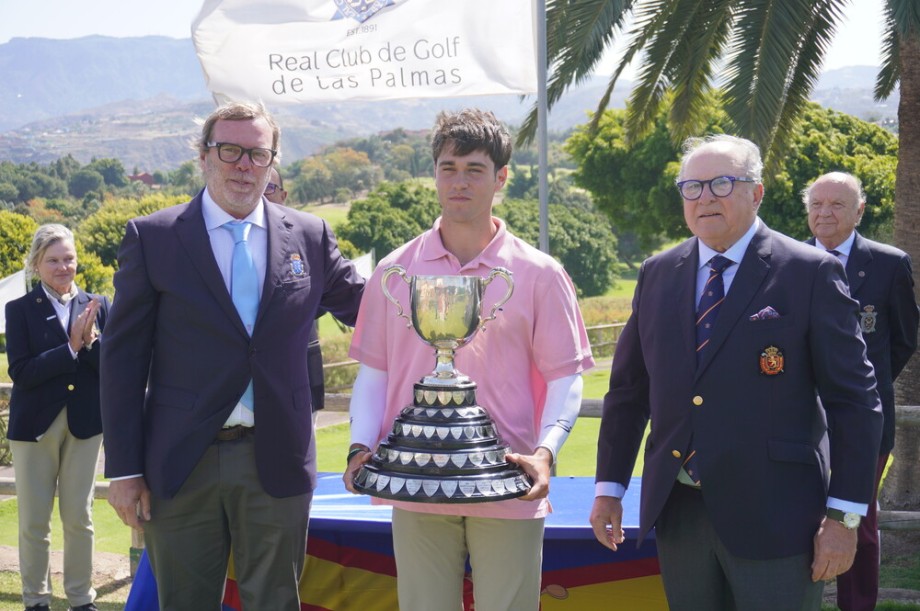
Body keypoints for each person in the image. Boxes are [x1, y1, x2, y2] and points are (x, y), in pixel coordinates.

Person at [589, 134, 884, 610]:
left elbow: (855, 403)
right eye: (691, 187)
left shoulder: (809, 272)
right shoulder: (658, 273)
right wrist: (609, 489)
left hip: (779, 519)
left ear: (756, 192)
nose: (704, 197)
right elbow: (628, 391)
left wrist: (845, 518)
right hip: (680, 514)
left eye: (722, 183)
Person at [101, 101, 365, 609]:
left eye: (258, 153)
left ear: (272, 161)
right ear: (203, 156)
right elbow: (122, 362)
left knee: (275, 602)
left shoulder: (309, 236)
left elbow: (372, 308)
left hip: (278, 461)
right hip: (181, 464)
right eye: (230, 151)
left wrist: (443, 274)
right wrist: (125, 469)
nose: (244, 165)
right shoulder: (154, 238)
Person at [343, 108, 594, 610]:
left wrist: (544, 453)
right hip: (416, 475)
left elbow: (566, 376)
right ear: (433, 173)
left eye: (475, 169)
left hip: (508, 476)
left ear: (500, 177)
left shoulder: (540, 274)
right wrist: (357, 446)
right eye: (448, 167)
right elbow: (375, 371)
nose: (459, 181)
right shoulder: (395, 272)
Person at [804, 171, 919, 611]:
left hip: (863, 426)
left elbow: (904, 340)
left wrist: (860, 393)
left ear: (860, 211)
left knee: (857, 523)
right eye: (816, 204)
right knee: (796, 521)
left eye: (836, 204)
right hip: (795, 421)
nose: (824, 213)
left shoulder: (889, 264)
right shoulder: (785, 261)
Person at [6, 223, 108, 611]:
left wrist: (93, 343)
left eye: (69, 259)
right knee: (35, 522)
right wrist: (70, 347)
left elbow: (110, 368)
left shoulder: (99, 304)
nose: (63, 267)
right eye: (53, 260)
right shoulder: (18, 310)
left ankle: (82, 600)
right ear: (36, 263)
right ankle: (36, 601)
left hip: (85, 426)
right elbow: (22, 371)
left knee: (79, 518)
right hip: (34, 427)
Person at [264, 166, 326, 418]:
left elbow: (330, 294)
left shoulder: (307, 236)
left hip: (302, 380)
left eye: (269, 188)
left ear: (283, 195)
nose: (261, 195)